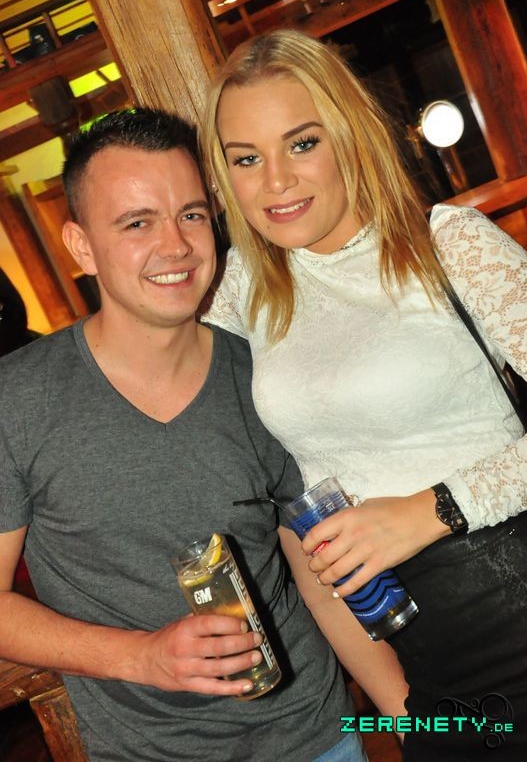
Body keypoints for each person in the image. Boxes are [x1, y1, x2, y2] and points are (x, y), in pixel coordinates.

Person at [0, 107, 411, 762]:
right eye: (137, 223)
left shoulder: (265, 377)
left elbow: (318, 570)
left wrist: (410, 715)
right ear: (81, 246)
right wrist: (142, 657)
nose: (176, 246)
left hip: (316, 736)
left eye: (191, 215)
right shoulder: (16, 399)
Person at [200, 29, 527, 761]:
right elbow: (293, 520)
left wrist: (431, 509)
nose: (275, 181)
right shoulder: (239, 294)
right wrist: (396, 708)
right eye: (245, 158)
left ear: (347, 135)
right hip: (419, 661)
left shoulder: (447, 243)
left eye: (301, 143)